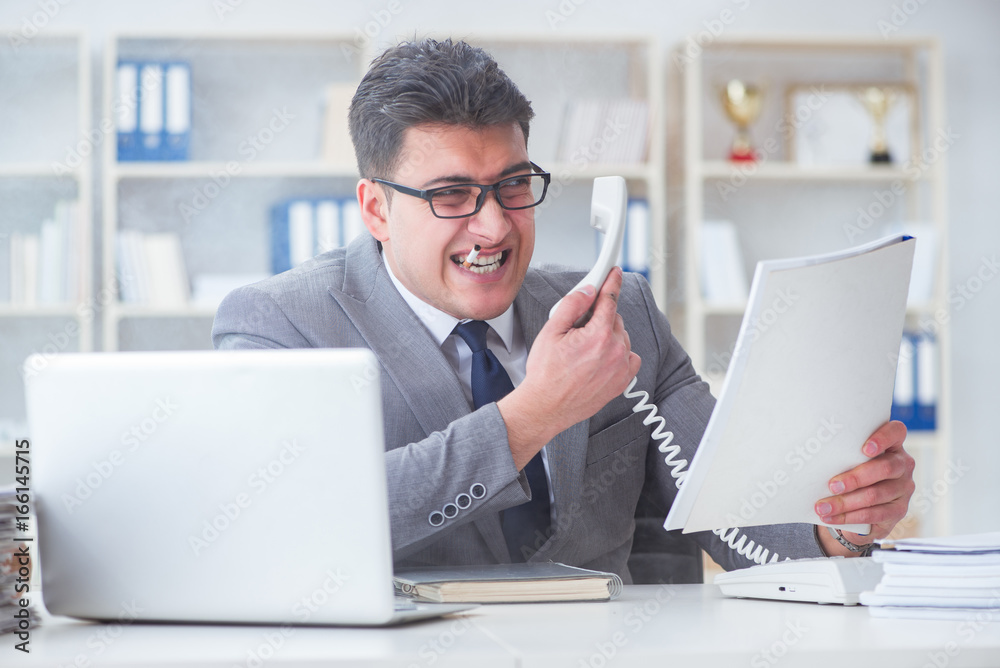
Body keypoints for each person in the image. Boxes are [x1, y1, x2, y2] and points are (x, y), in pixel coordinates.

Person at [212, 38, 914, 581]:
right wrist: (534, 414)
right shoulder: (284, 325)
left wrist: (838, 526)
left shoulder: (622, 312)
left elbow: (734, 521)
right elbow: (296, 522)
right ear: (377, 209)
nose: (493, 227)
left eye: (513, 185)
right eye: (451, 195)